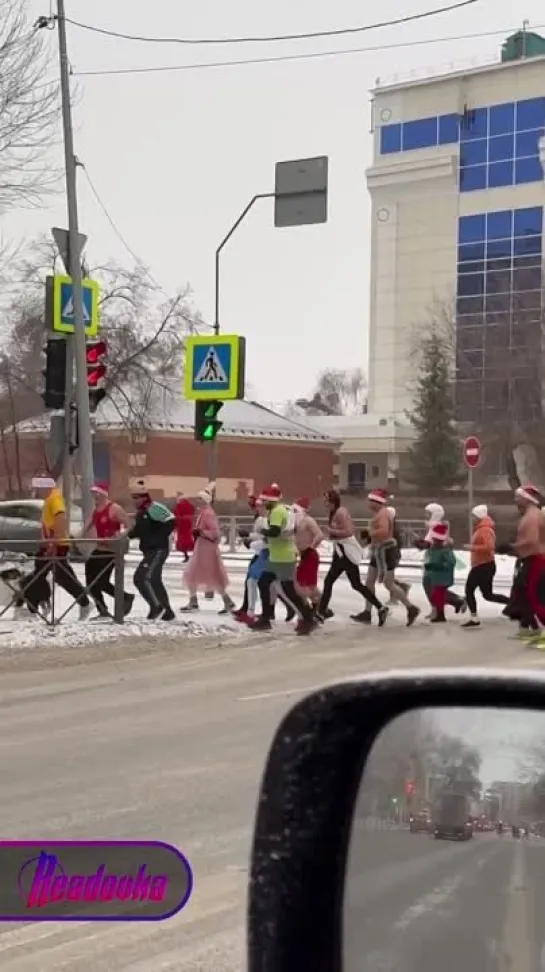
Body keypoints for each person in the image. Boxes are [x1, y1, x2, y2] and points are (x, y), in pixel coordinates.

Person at [250, 483, 317, 635]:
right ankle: (266, 619)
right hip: (276, 557)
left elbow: (274, 531)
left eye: (264, 500)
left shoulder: (277, 511)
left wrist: (261, 530)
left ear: (270, 500)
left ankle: (308, 618)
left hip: (283, 558)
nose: (262, 503)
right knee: (263, 582)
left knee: (289, 590)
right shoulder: (277, 510)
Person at [316, 489, 387, 626]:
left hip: (345, 552)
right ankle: (322, 611)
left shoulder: (341, 512)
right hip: (340, 551)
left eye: (326, 501)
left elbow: (349, 531)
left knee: (342, 582)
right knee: (343, 582)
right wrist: (332, 534)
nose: (325, 504)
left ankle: (322, 611)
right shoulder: (334, 512)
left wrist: (331, 531)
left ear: (333, 501)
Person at [26, 475, 91, 620]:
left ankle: (84, 603)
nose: (37, 491)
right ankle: (33, 608)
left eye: (39, 488)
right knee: (46, 575)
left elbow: (60, 519)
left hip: (55, 545)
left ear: (46, 487)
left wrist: (53, 542)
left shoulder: (55, 498)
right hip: (51, 544)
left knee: (53, 576)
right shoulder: (50, 499)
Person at [354, 489, 419, 627]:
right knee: (370, 582)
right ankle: (367, 612)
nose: (368, 503)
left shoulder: (383, 514)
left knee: (388, 584)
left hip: (385, 551)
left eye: (370, 501)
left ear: (376, 502)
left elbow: (383, 531)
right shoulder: (382, 513)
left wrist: (370, 535)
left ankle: (411, 607)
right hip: (380, 550)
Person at [181, 482, 235, 614]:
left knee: (210, 575)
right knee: (193, 573)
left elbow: (215, 532)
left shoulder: (208, 513)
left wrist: (201, 533)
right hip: (202, 547)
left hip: (207, 549)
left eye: (199, 499)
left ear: (205, 500)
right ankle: (195, 600)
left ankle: (226, 601)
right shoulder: (202, 512)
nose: (197, 501)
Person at [83, 482, 134, 619]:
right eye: (92, 493)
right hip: (99, 549)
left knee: (100, 582)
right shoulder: (96, 509)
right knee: (91, 582)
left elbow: (129, 524)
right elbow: (88, 525)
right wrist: (76, 538)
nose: (94, 496)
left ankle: (125, 598)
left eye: (96, 493)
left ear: (103, 494)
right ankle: (103, 610)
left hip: (111, 551)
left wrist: (120, 535)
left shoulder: (114, 508)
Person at [127, 482, 175, 620]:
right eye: (133, 497)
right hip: (149, 549)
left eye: (137, 497)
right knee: (154, 580)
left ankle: (156, 607)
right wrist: (127, 536)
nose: (134, 501)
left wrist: (157, 538)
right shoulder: (141, 512)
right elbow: (140, 529)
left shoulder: (154, 508)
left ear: (144, 497)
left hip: (158, 549)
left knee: (141, 578)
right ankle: (167, 612)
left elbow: (171, 522)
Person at [461, 504, 509, 629]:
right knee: (488, 595)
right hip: (482, 565)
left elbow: (490, 547)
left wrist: (472, 548)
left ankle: (474, 617)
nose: (471, 518)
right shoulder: (481, 528)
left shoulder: (485, 530)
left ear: (479, 516)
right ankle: (514, 603)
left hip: (483, 565)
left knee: (469, 590)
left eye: (473, 516)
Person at [416, 502, 465, 617]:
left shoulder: (436, 526)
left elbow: (435, 542)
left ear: (435, 514)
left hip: (436, 559)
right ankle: (440, 608)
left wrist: (422, 545)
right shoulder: (431, 525)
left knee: (433, 587)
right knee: (430, 585)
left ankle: (453, 603)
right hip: (432, 557)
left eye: (428, 513)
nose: (425, 515)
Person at [293, 497, 324, 612]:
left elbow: (319, 535)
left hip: (310, 556)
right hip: (302, 555)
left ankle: (321, 606)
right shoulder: (296, 523)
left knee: (308, 586)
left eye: (296, 511)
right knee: (302, 584)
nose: (294, 513)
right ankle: (320, 606)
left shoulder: (308, 521)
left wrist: (311, 547)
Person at [422, 522, 456, 623]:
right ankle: (441, 614)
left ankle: (441, 615)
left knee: (437, 596)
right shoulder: (433, 549)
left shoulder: (445, 551)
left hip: (443, 577)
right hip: (436, 577)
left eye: (436, 540)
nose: (434, 542)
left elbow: (451, 563)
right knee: (437, 597)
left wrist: (437, 566)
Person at [173, 492, 195, 563]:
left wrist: (175, 524)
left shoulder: (179, 505)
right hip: (188, 524)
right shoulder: (190, 505)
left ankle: (186, 556)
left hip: (181, 525)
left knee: (182, 541)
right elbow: (192, 512)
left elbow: (176, 515)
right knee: (189, 539)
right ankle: (194, 555)